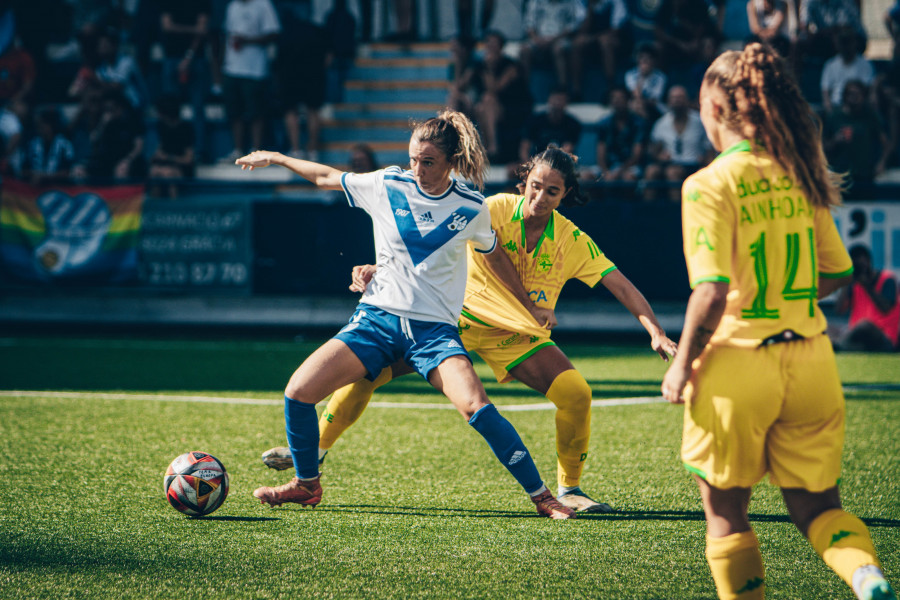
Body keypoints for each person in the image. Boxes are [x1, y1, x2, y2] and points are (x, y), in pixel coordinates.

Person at [260, 145, 678, 514]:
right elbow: (424, 243)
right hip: (451, 322)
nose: (540, 196)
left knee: (576, 394)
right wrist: (380, 270)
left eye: (552, 191)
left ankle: (568, 489)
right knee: (367, 373)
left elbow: (618, 282)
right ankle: (315, 455)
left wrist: (655, 331)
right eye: (535, 185)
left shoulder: (570, 239)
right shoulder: (492, 208)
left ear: (566, 194)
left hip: (513, 335)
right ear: (524, 182)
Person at [237, 111, 576, 519]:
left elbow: (495, 257)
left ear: (451, 161)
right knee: (298, 392)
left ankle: (544, 497)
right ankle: (307, 485)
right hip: (375, 321)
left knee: (477, 407)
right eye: (413, 158)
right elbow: (326, 177)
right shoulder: (386, 183)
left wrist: (527, 304)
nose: (417, 169)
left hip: (434, 333)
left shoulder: (471, 206)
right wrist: (277, 156)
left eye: (428, 162)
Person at [661, 43, 896, 600]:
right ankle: (865, 575)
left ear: (716, 109)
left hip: (739, 364)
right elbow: (837, 272)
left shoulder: (708, 184)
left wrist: (683, 366)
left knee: (726, 516)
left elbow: (712, 292)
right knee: (820, 510)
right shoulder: (798, 172)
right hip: (812, 362)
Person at [221, 0, 280, 161]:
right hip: (232, 67)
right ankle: (238, 149)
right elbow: (227, 34)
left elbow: (274, 33)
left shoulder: (263, 4)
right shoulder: (232, 6)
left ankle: (256, 150)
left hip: (255, 69)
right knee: (234, 112)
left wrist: (248, 40)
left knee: (256, 111)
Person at [159, 0, 211, 164]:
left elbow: (202, 31)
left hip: (195, 59)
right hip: (171, 58)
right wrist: (192, 29)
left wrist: (188, 56)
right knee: (169, 108)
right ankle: (169, 150)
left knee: (198, 108)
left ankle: (199, 152)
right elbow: (166, 26)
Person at [642, 85, 713, 201]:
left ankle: (678, 213)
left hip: (693, 164)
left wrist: (708, 165)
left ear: (687, 100)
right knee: (652, 171)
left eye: (680, 97)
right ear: (669, 101)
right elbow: (653, 151)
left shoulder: (700, 122)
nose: (677, 100)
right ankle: (646, 212)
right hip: (671, 163)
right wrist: (659, 156)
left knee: (672, 173)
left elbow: (709, 148)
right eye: (674, 97)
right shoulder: (661, 123)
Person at [822, 80, 891, 186]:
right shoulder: (835, 117)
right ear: (845, 95)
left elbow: (885, 143)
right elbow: (823, 148)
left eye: (858, 94)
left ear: (863, 96)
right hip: (841, 175)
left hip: (864, 174)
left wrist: (881, 163)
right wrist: (835, 141)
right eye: (851, 93)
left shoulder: (870, 116)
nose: (854, 97)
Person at [833, 245, 900, 352]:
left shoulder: (887, 279)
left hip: (884, 337)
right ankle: (843, 346)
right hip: (857, 336)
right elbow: (839, 310)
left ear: (868, 261)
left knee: (865, 325)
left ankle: (839, 347)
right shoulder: (854, 284)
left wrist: (866, 284)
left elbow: (886, 308)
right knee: (827, 327)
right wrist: (846, 281)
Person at [149, 94, 196, 198]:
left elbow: (188, 159)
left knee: (168, 173)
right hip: (165, 164)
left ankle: (174, 207)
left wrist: (169, 158)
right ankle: (154, 209)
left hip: (182, 167)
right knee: (154, 171)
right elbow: (160, 148)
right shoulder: (161, 126)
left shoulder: (186, 128)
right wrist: (157, 156)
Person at [820, 27, 874, 115]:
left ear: (854, 42)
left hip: (858, 110)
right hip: (837, 109)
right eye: (842, 42)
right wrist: (831, 113)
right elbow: (825, 93)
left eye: (848, 42)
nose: (845, 46)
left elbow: (868, 91)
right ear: (837, 44)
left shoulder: (865, 65)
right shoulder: (830, 65)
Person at [519, 87, 582, 162]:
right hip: (536, 163)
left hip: (561, 164)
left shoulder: (573, 124)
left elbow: (567, 151)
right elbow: (524, 149)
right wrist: (530, 167)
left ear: (566, 102)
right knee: (512, 170)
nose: (557, 103)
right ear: (549, 100)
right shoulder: (534, 121)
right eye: (555, 99)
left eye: (561, 100)